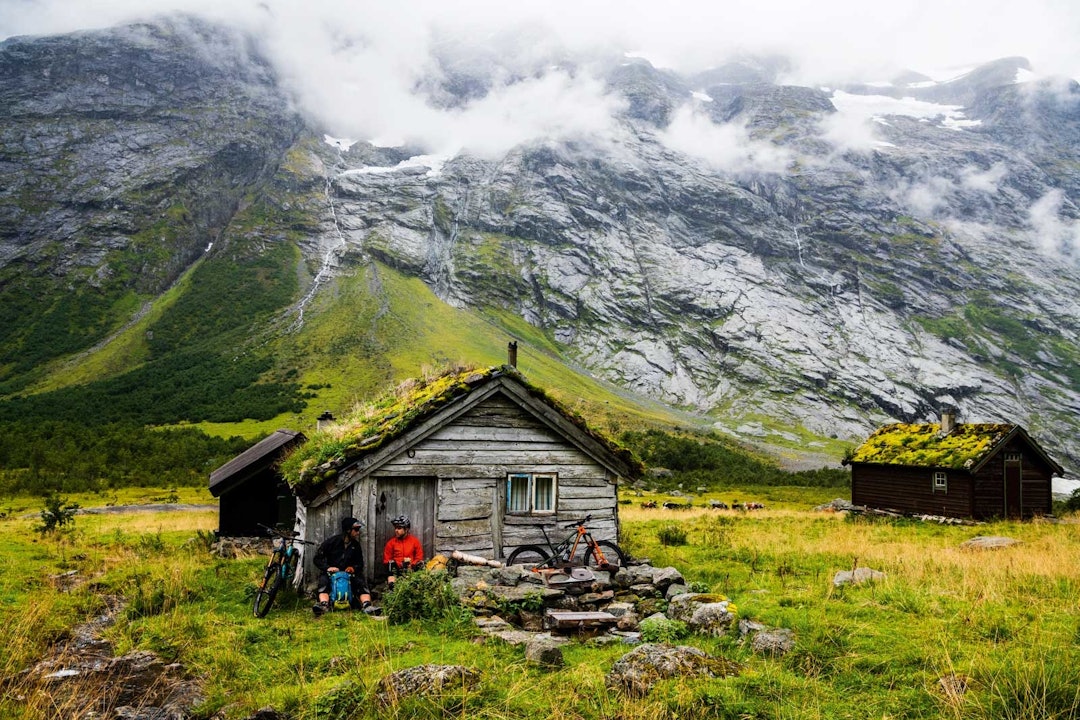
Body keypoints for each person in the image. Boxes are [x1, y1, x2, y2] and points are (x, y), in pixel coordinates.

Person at [312, 516, 377, 616]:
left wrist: (353, 568)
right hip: (331, 573)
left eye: (358, 530)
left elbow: (360, 563)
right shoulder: (331, 542)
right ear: (348, 530)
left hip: (349, 574)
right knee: (323, 582)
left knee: (360, 582)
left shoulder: (356, 545)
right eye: (355, 530)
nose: (358, 532)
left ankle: (367, 605)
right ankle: (323, 605)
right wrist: (328, 568)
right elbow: (317, 558)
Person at [382, 514, 424, 591]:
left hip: (411, 569)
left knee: (420, 564)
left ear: (406, 529)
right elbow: (386, 560)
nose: (396, 530)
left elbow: (419, 557)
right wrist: (398, 565)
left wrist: (412, 565)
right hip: (395, 571)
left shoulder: (414, 541)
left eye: (399, 528)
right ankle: (392, 587)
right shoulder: (391, 543)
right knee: (390, 564)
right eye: (395, 528)